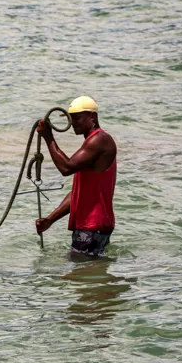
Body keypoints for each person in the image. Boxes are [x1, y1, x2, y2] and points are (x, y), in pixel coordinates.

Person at [35, 96, 117, 257]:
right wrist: (50, 220)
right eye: (71, 118)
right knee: (84, 276)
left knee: (77, 276)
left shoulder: (100, 140)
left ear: (92, 117)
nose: (73, 122)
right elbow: (78, 194)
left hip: (91, 228)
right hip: (92, 228)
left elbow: (66, 168)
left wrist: (48, 137)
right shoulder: (92, 143)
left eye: (77, 117)